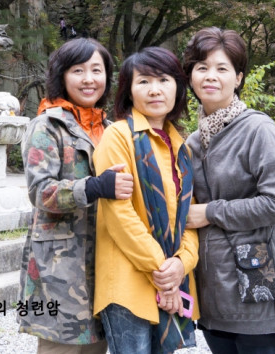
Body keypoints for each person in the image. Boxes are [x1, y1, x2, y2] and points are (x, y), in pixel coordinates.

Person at [182, 27, 275, 354]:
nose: (210, 76)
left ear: (238, 78)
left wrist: (211, 212)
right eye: (202, 67)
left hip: (258, 282)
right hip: (213, 290)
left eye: (222, 68)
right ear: (190, 77)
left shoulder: (258, 129)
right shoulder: (192, 143)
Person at [18, 38, 133, 354]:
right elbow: (41, 193)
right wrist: (94, 187)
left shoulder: (111, 129)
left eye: (96, 70)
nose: (88, 79)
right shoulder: (47, 125)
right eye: (78, 70)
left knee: (98, 344)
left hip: (105, 260)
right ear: (62, 76)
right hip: (60, 266)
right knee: (61, 346)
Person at [92, 47, 200, 354]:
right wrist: (164, 272)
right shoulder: (118, 136)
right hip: (127, 281)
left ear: (178, 87)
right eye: (143, 82)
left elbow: (189, 215)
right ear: (129, 91)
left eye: (164, 80)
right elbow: (119, 216)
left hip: (171, 277)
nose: (155, 90)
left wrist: (181, 263)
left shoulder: (181, 146)